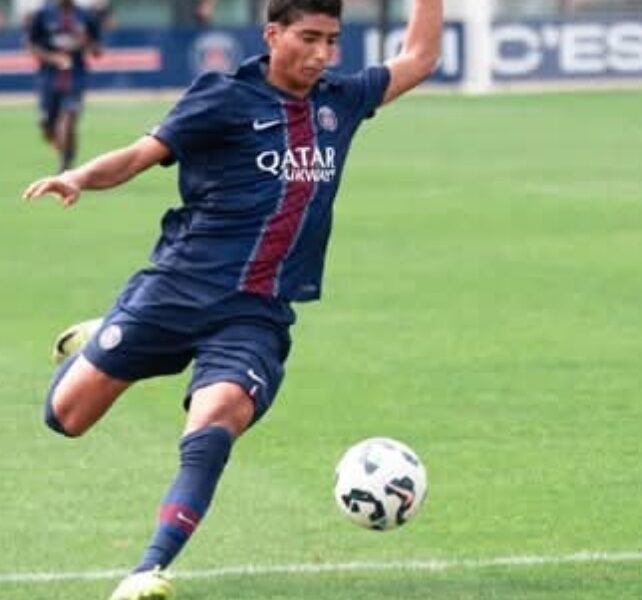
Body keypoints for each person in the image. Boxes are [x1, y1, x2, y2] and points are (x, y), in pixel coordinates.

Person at [22, 0, 442, 598]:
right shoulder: (222, 98)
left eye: (331, 40)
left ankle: (148, 570)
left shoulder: (340, 101)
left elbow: (419, 57)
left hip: (255, 313)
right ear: (273, 34)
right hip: (177, 289)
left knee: (217, 417)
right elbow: (140, 154)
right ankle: (109, 329)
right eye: (308, 38)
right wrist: (78, 177)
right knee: (66, 418)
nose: (322, 54)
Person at [26, 0, 102, 173]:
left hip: (76, 77)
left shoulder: (85, 15)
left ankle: (65, 168)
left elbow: (98, 50)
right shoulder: (43, 13)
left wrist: (86, 43)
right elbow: (31, 45)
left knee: (68, 120)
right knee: (46, 125)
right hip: (49, 77)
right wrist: (53, 58)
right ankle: (64, 149)